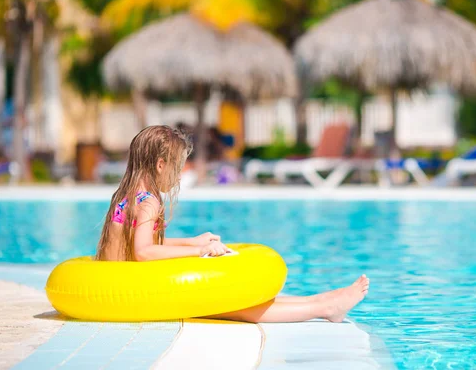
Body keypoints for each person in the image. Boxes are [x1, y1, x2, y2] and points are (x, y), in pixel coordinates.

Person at [95, 125, 369, 323]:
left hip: (122, 287)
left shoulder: (129, 196)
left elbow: (138, 245)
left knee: (230, 301)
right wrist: (198, 252)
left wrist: (192, 241)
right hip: (134, 296)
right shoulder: (149, 202)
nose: (179, 176)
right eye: (177, 168)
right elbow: (143, 252)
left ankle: (324, 301)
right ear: (160, 164)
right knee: (235, 307)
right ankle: (322, 308)